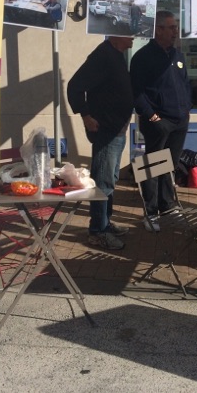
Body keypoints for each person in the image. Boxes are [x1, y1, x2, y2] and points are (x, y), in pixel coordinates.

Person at [66, 36, 135, 250]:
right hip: (105, 130)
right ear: (116, 36)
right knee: (103, 182)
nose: (133, 36)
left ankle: (105, 223)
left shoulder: (117, 54)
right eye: (128, 32)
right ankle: (97, 232)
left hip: (117, 129)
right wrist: (86, 115)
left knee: (110, 180)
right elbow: (75, 86)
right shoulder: (102, 55)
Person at [130, 10, 193, 232]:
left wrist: (187, 109)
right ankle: (150, 211)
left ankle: (167, 206)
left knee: (171, 165)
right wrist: (151, 115)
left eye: (176, 27)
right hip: (158, 121)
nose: (176, 31)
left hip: (180, 120)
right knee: (153, 166)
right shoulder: (143, 57)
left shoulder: (178, 56)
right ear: (158, 30)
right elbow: (136, 91)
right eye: (171, 27)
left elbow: (185, 84)